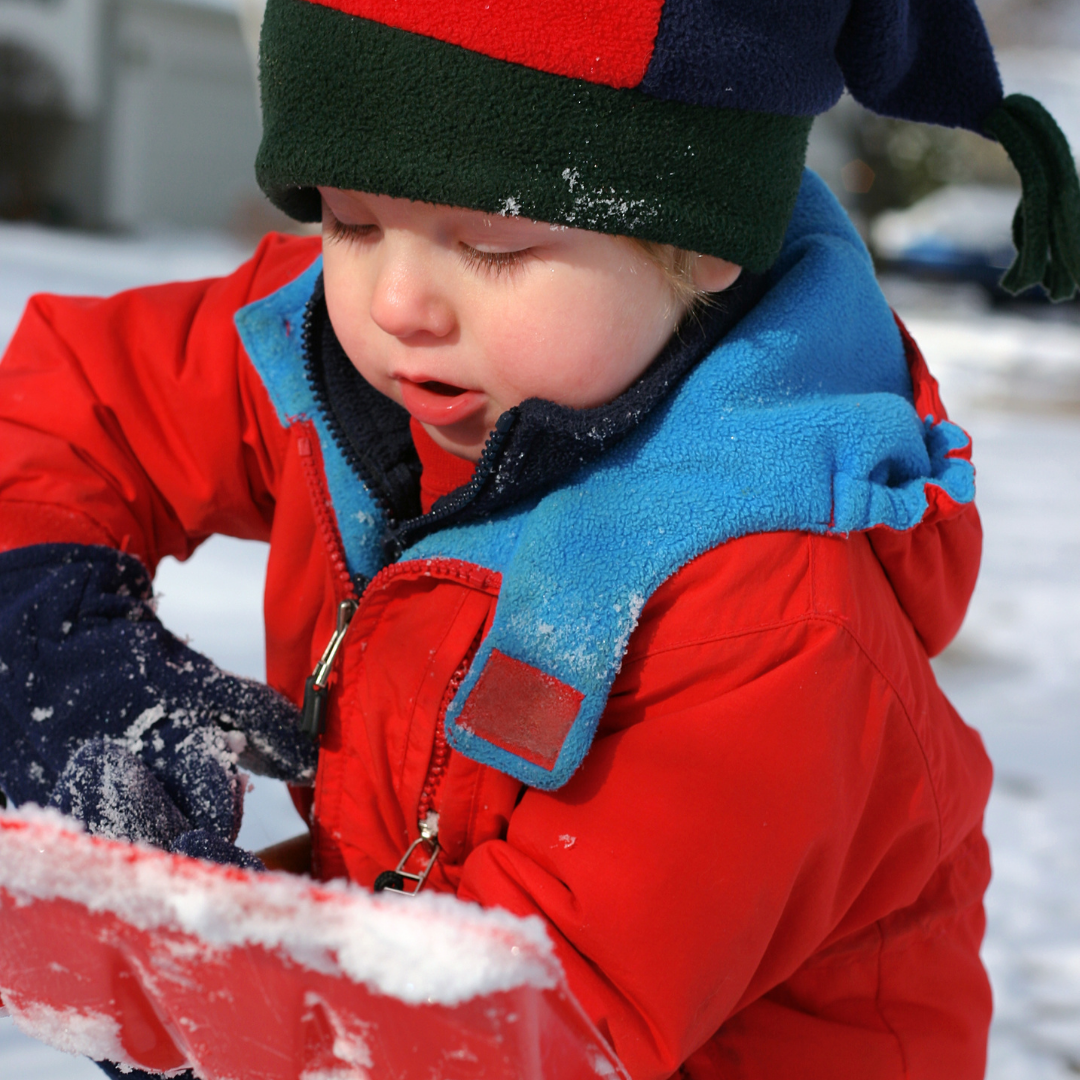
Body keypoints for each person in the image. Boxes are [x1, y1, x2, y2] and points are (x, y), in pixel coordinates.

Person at [1, 1, 1078, 1077]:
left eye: (495, 244)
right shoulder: (341, 355)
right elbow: (74, 412)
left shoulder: (773, 627)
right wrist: (54, 642)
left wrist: (170, 994)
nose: (400, 301)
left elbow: (509, 1030)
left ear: (698, 239)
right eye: (350, 222)